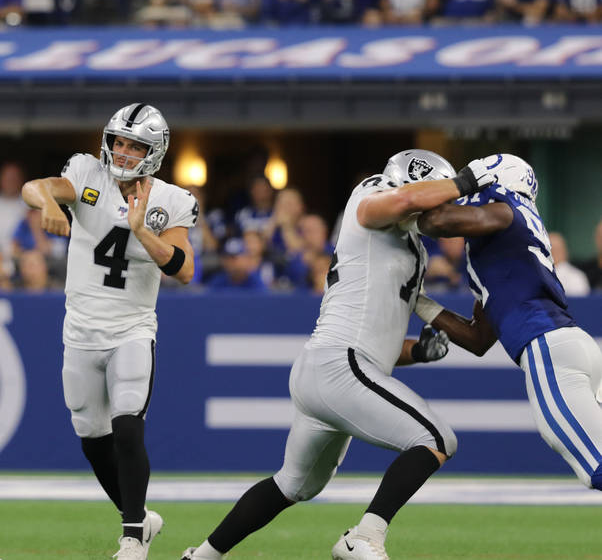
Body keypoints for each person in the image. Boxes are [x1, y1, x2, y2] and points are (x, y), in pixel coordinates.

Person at [181, 150, 497, 560]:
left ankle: (201, 556)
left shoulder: (410, 252)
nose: (441, 210)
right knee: (435, 438)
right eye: (435, 198)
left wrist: (419, 349)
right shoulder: (373, 194)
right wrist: (467, 182)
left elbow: (421, 338)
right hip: (339, 366)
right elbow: (400, 202)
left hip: (333, 369)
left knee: (292, 486)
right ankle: (363, 538)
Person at [22, 103, 197, 560]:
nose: (121, 151)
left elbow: (184, 269)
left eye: (134, 145)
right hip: (79, 329)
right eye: (118, 141)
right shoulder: (85, 173)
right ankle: (139, 518)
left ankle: (132, 538)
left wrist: (142, 230)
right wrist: (45, 202)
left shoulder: (170, 200)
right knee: (91, 435)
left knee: (126, 426)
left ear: (154, 152)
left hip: (131, 328)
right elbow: (34, 187)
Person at [417, 154, 602, 493]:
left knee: (599, 469)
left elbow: (438, 221)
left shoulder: (506, 210)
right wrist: (418, 302)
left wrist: (410, 205)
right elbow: (478, 339)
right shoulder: (501, 250)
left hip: (549, 349)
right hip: (571, 347)